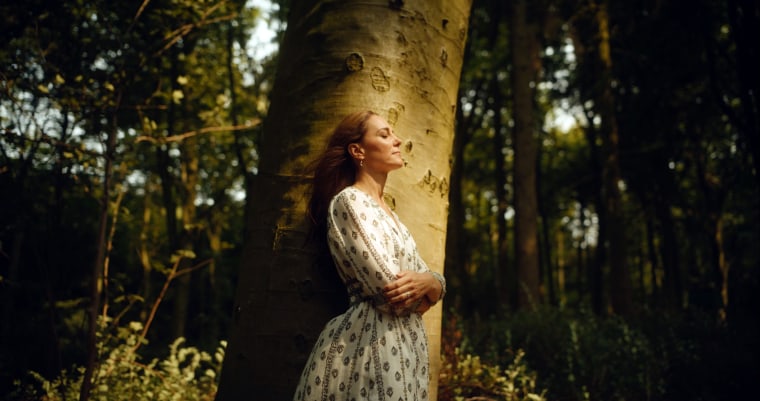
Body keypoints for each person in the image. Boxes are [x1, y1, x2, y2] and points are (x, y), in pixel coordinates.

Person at [293, 110, 446, 401]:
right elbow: (391, 291)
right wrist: (428, 287)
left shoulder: (393, 217)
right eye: (385, 134)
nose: (398, 140)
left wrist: (432, 284)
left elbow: (430, 280)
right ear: (357, 150)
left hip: (409, 350)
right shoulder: (350, 202)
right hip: (372, 347)